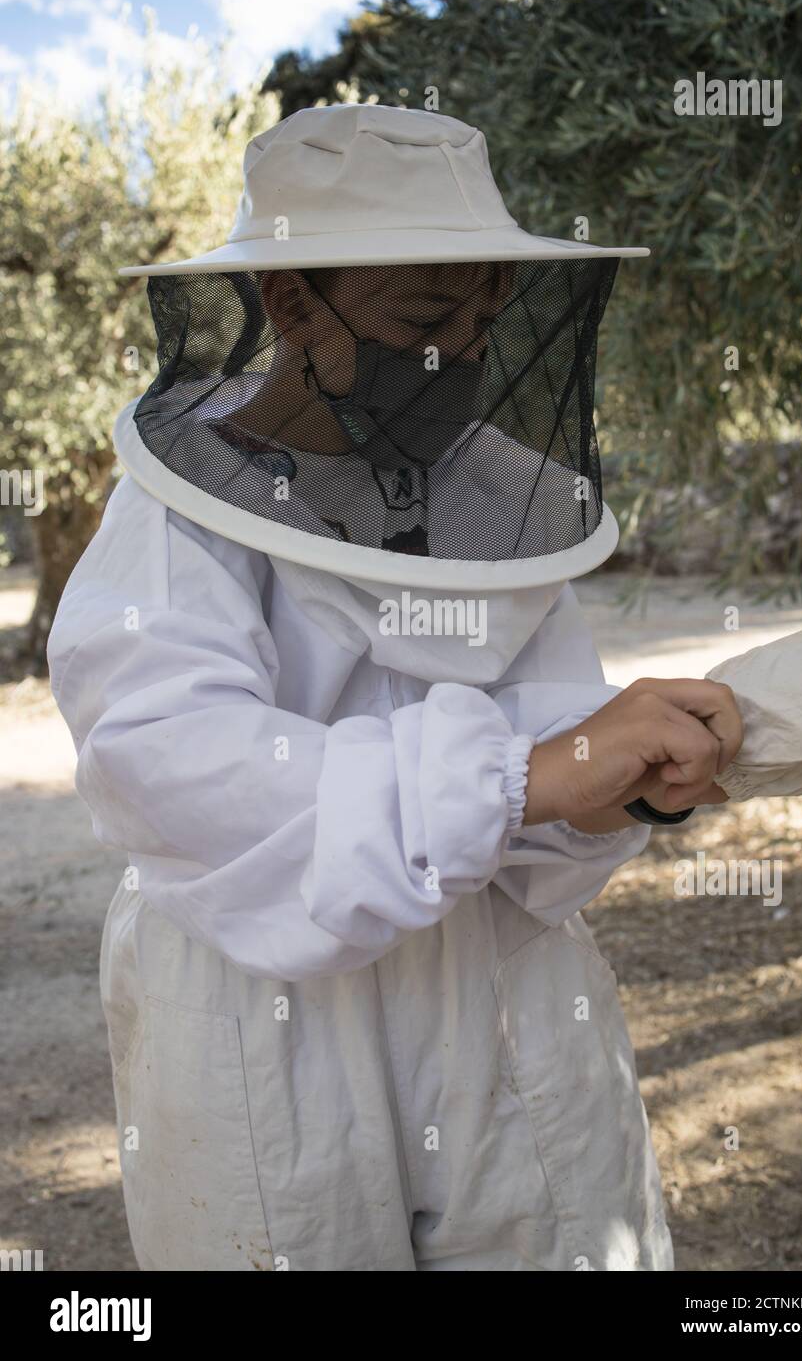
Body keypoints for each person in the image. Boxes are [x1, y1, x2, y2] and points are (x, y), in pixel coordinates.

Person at [48, 103, 742, 1271]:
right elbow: (167, 763)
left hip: (504, 989)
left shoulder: (503, 507)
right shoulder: (175, 517)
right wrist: (519, 779)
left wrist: (617, 781)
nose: (459, 353)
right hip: (267, 997)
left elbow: (546, 748)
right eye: (423, 319)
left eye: (481, 318)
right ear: (290, 303)